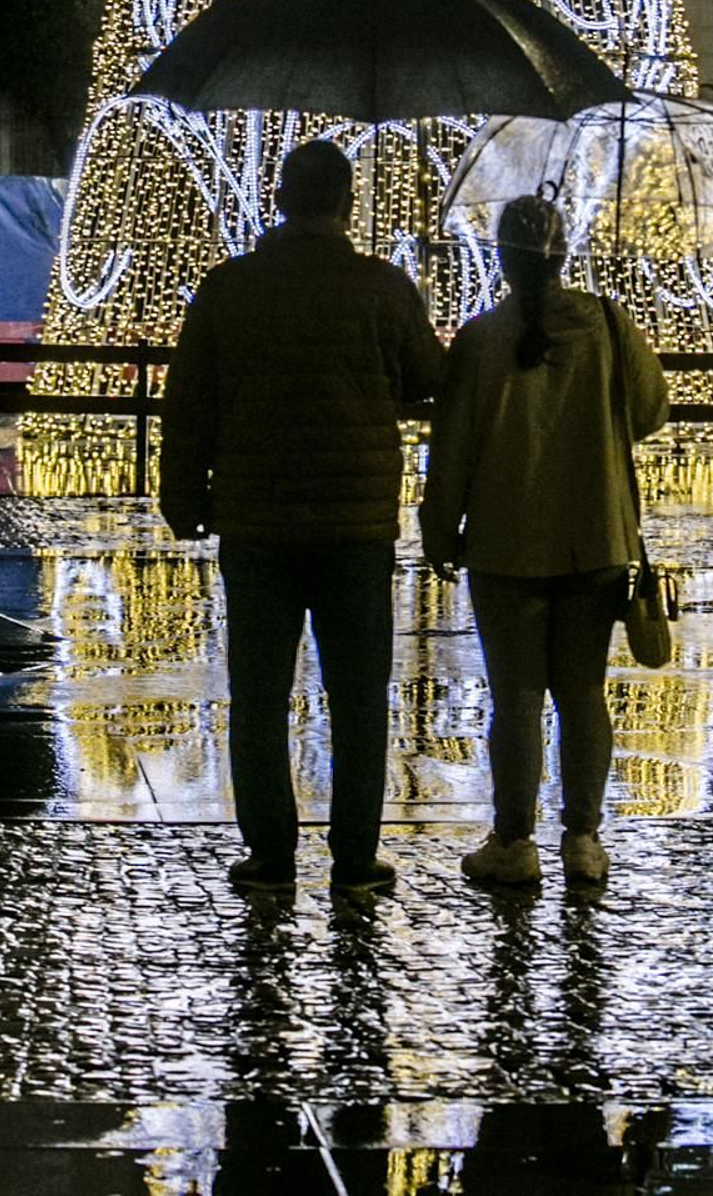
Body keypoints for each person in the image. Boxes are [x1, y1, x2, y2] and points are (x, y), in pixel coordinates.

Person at [160, 138, 446, 899]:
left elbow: (188, 406)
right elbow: (430, 379)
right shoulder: (382, 288)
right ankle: (356, 856)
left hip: (256, 522)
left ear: (280, 201)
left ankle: (271, 853)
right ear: (346, 204)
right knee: (359, 696)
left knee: (257, 694)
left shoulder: (229, 288)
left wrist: (183, 497)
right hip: (356, 528)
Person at [419, 192, 669, 891]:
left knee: (518, 698)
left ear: (502, 260)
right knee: (584, 692)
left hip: (505, 544)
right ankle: (584, 838)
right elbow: (650, 412)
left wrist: (440, 527)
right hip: (596, 539)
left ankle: (514, 840)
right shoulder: (609, 326)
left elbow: (454, 451)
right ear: (565, 255)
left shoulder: (478, 341)